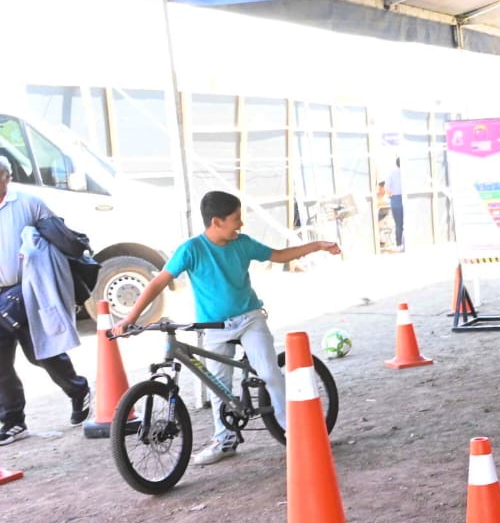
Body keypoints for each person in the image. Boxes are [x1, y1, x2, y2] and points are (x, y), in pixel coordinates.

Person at [111, 191, 339, 466]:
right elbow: (159, 282)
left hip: (249, 319)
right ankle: (225, 440)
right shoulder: (191, 249)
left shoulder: (242, 244)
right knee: (217, 384)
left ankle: (297, 432)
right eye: (236, 219)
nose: (241, 224)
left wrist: (316, 246)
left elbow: (279, 255)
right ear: (216, 222)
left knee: (268, 371)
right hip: (214, 327)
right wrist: (129, 318)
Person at [0, 154, 91, 445]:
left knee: (40, 353)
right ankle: (13, 421)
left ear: (7, 176)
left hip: (27, 291)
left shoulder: (29, 203)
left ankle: (77, 388)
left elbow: (60, 241)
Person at [386, 157, 405, 249]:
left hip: (395, 199)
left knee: (398, 224)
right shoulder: (407, 172)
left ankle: (399, 243)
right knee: (408, 222)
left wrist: (391, 196)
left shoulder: (391, 173)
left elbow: (387, 189)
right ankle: (406, 243)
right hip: (406, 198)